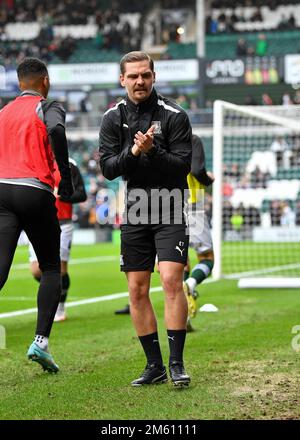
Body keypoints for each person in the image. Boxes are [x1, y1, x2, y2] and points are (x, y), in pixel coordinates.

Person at [99, 51, 192, 387]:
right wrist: (135, 152)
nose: (140, 82)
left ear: (154, 77)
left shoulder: (175, 115)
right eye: (133, 76)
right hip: (136, 207)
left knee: (170, 280)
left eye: (145, 75)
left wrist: (153, 151)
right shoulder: (112, 118)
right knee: (137, 290)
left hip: (169, 205)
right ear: (122, 79)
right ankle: (154, 366)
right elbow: (109, 167)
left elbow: (183, 167)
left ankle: (177, 363)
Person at [0, 58, 73, 372]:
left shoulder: (3, 112)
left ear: (19, 84)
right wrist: (65, 181)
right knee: (51, 268)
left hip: (2, 190)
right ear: (45, 80)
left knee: (1, 268)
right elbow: (56, 129)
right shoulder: (48, 106)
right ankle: (40, 342)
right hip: (34, 189)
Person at [28, 158, 87, 322]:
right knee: (36, 270)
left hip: (62, 222)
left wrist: (61, 195)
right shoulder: (33, 159)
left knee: (60, 269)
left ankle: (59, 308)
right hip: (37, 221)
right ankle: (52, 293)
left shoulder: (69, 164)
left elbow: (81, 194)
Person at [183, 134, 214, 332]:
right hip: (193, 204)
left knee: (178, 262)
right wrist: (207, 179)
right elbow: (196, 170)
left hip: (167, 206)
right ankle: (192, 284)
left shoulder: (162, 138)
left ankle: (183, 317)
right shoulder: (191, 139)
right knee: (207, 258)